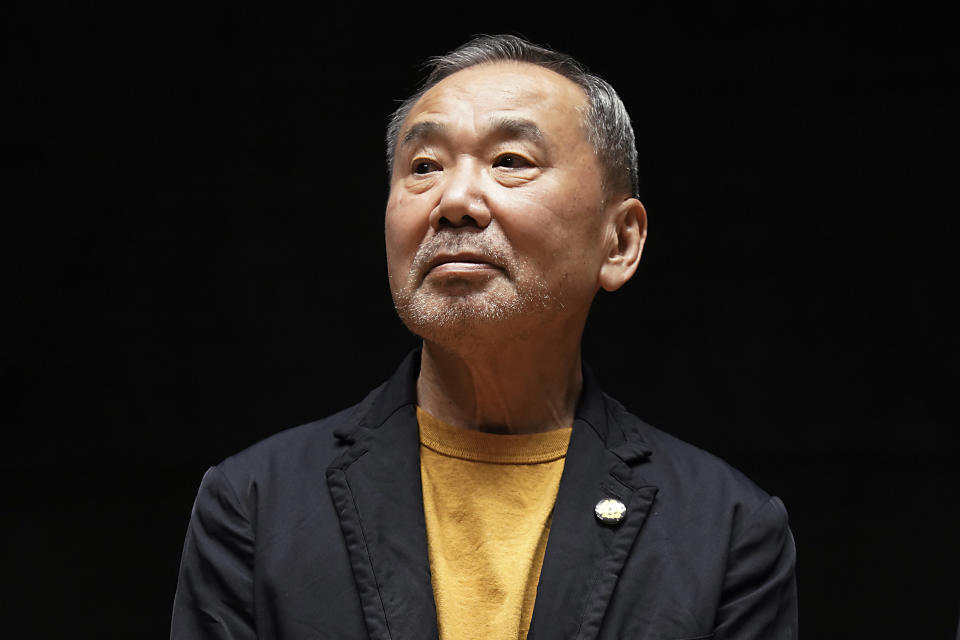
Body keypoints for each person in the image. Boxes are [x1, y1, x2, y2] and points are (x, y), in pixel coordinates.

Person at [171, 35, 798, 640]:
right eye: (423, 167)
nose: (455, 199)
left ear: (620, 241)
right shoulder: (257, 504)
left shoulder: (724, 529)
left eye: (510, 162)